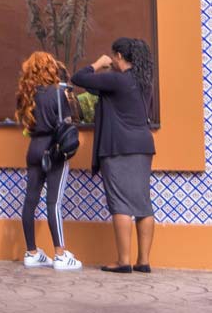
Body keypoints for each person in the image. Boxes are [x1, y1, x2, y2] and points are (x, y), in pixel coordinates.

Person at [72, 38, 156, 274]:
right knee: (142, 204)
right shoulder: (143, 82)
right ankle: (143, 261)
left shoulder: (116, 80)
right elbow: (99, 89)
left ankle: (123, 261)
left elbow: (78, 78)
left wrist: (98, 63)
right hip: (143, 145)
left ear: (119, 55)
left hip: (118, 146)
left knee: (120, 203)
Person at [14, 51, 82, 271]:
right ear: (51, 68)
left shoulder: (26, 95)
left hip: (33, 149)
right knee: (53, 203)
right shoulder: (58, 93)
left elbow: (26, 125)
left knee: (30, 201)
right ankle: (60, 254)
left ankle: (31, 252)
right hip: (54, 150)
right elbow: (66, 122)